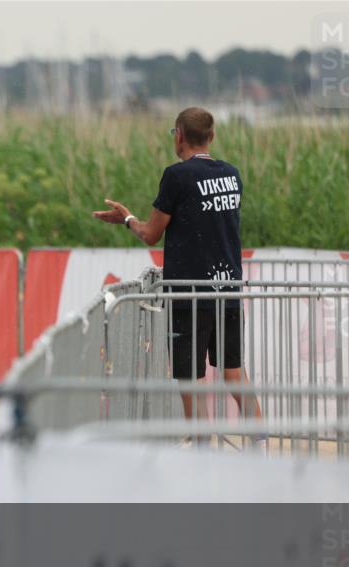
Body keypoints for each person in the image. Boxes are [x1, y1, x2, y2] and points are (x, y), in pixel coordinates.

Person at [92, 107, 265, 451]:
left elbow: (150, 234)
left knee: (190, 376)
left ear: (180, 136)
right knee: (233, 371)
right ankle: (261, 444)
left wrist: (127, 219)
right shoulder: (232, 174)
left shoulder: (177, 176)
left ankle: (201, 449)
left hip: (188, 293)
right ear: (212, 136)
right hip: (227, 288)